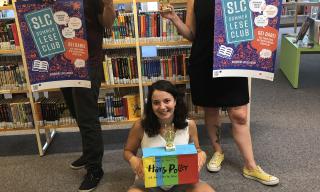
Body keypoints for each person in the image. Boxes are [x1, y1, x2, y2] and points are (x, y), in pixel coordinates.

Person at [160, 0, 279, 186]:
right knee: (211, 109)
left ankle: (251, 165)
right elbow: (192, 34)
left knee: (239, 114)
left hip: (233, 61)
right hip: (205, 60)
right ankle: (218, 151)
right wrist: (174, 18)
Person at [42, 0, 115, 191]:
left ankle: (95, 169)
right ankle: (88, 153)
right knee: (75, 111)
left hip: (87, 62)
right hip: (62, 60)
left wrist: (108, 6)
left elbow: (108, 23)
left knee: (87, 115)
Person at [123, 80, 215, 192]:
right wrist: (133, 160)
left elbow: (197, 149)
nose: (162, 107)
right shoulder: (140, 126)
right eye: (156, 103)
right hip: (149, 182)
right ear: (150, 104)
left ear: (175, 101)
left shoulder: (189, 125)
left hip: (183, 181)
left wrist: (202, 154)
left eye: (167, 101)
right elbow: (128, 151)